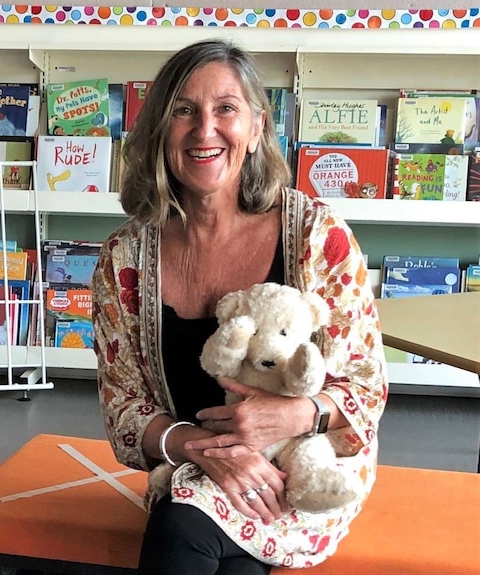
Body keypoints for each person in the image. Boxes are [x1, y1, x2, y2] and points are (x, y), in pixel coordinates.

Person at [91, 39, 387, 574]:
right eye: (183, 110)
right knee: (207, 533)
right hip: (196, 468)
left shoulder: (318, 236)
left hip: (302, 474)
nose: (205, 129)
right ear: (160, 130)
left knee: (185, 526)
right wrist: (197, 447)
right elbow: (122, 407)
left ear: (254, 129)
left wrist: (293, 414)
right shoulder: (125, 257)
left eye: (225, 108)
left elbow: (368, 385)